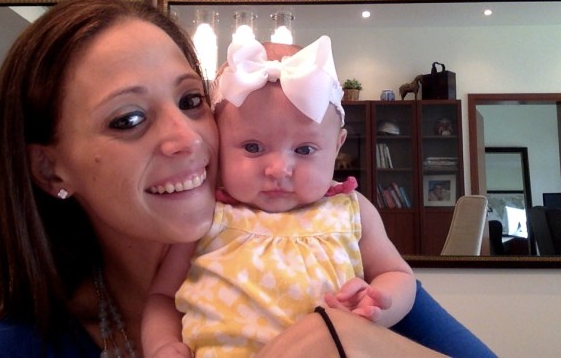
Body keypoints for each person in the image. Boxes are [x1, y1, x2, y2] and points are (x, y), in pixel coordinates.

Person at [0, 0, 495, 358]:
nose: (187, 137)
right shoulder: (16, 347)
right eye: (129, 119)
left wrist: (355, 340)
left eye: (191, 100)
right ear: (50, 169)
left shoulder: (346, 258)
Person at [143, 36, 416, 357]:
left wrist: (378, 304)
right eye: (253, 147)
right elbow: (163, 297)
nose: (278, 169)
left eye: (304, 149)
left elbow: (398, 275)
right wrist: (162, 345)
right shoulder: (208, 215)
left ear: (337, 146)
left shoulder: (351, 210)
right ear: (218, 142)